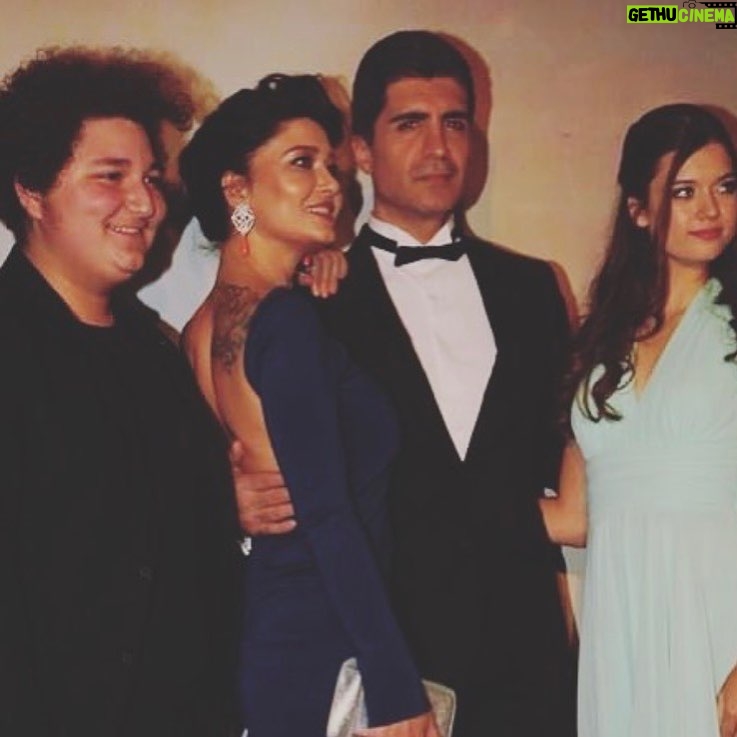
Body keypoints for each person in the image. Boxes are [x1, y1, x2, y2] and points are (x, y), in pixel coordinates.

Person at [240, 31, 577, 737]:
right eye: (409, 124)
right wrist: (229, 489)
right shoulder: (313, 296)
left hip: (528, 661)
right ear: (361, 150)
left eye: (455, 123)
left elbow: (571, 456)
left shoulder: (535, 290)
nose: (438, 148)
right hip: (384, 663)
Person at [178, 73, 437, 737]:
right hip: (329, 644)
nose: (331, 184)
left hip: (274, 634)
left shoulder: (198, 328)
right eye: (301, 163)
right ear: (237, 189)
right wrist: (395, 686)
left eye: (332, 166)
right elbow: (327, 514)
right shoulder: (285, 321)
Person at [0, 47, 241, 736]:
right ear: (31, 191)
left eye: (150, 178)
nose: (145, 202)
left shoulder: (155, 352)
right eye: (111, 176)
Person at [541, 103, 737, 737]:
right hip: (621, 626)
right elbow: (573, 516)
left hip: (721, 620)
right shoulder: (599, 342)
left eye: (725, 186)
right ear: (638, 210)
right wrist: (428, 500)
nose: (710, 209)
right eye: (684, 191)